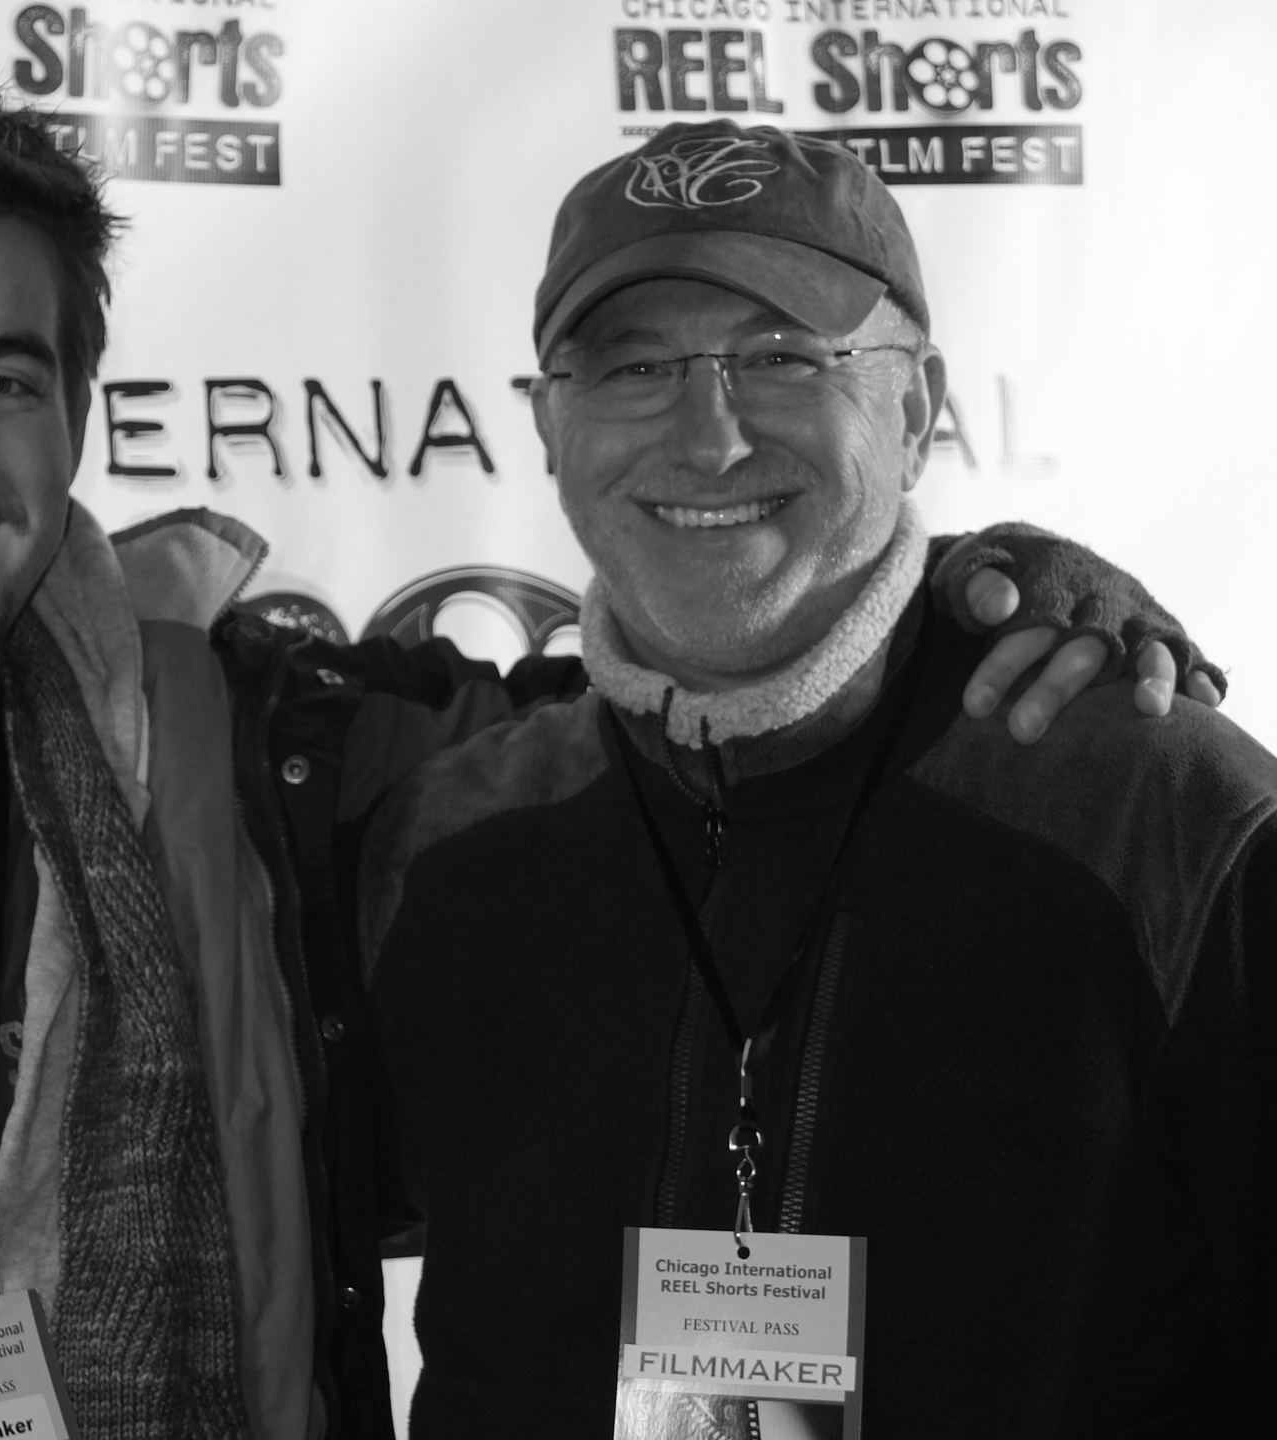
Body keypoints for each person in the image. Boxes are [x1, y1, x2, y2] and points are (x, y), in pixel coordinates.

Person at [0, 86, 1224, 1440]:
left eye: (3, 378)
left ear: (77, 417)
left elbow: (724, 700)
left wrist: (974, 599)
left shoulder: (288, 774)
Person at [362, 118, 1275, 1439]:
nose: (709, 437)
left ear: (914, 410)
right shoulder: (451, 836)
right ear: (552, 423)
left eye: (783, 356)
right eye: (634, 367)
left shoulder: (1162, 819)